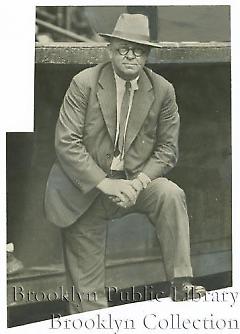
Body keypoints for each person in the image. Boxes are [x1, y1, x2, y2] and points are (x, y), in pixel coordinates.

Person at [45, 13, 206, 313]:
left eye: (139, 50)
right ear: (109, 49)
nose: (131, 55)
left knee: (169, 194)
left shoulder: (163, 90)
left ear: (147, 54)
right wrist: (106, 183)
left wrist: (138, 183)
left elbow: (168, 150)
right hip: (86, 191)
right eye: (123, 48)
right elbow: (66, 142)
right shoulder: (84, 83)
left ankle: (182, 284)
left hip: (134, 184)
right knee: (88, 302)